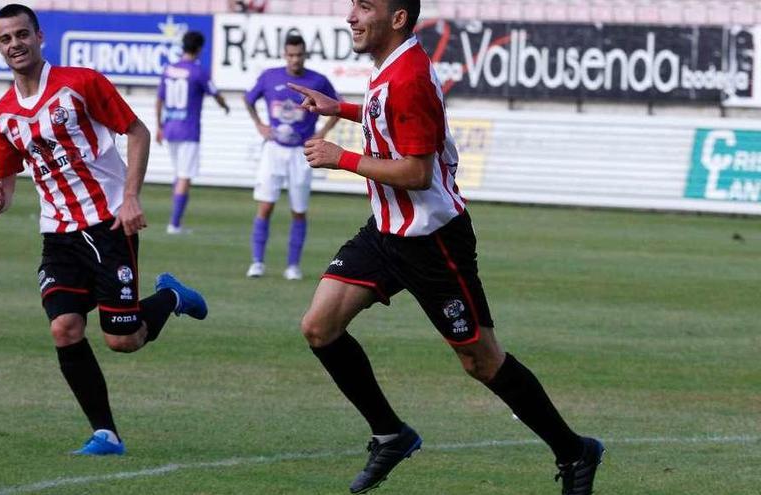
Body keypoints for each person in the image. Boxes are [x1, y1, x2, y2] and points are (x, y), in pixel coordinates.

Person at [289, 0, 604, 493]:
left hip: (433, 243)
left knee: (482, 361)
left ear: (397, 19)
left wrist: (340, 157)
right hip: (387, 232)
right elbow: (385, 117)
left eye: (364, 6)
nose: (351, 16)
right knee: (319, 327)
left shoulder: (409, 75)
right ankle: (391, 434)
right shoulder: (390, 67)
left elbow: (415, 172)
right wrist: (341, 109)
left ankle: (575, 451)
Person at [0, 4, 208, 456]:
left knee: (123, 340)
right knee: (65, 328)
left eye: (22, 34)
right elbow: (4, 178)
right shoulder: (2, 116)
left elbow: (137, 131)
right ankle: (106, 434)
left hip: (108, 224)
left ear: (39, 36)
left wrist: (130, 197)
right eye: (6, 39)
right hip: (58, 234)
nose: (15, 44)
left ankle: (170, 297)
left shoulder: (81, 83)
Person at [243, 34, 340, 281]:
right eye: (291, 55)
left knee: (299, 210)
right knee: (265, 206)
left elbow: (337, 107)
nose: (295, 59)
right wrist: (259, 125)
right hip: (273, 150)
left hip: (301, 152)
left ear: (305, 55)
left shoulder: (317, 80)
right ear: (285, 55)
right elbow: (249, 99)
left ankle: (293, 266)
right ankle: (257, 262)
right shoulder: (270, 76)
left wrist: (323, 131)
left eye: (299, 55)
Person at [156, 31, 229, 235]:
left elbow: (159, 98)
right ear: (199, 49)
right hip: (188, 130)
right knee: (185, 176)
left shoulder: (169, 69)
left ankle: (175, 221)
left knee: (179, 174)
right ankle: (175, 224)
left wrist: (159, 126)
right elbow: (215, 93)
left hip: (170, 127)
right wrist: (225, 106)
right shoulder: (198, 72)